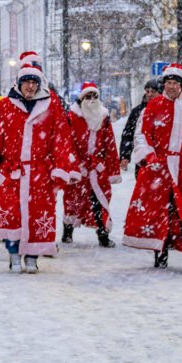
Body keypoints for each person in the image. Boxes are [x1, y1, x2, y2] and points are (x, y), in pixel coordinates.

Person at [0, 63, 80, 273]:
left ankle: (33, 256)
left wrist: (60, 167)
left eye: (34, 83)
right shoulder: (6, 106)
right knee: (12, 216)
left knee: (38, 215)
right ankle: (14, 255)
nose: (30, 87)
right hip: (11, 172)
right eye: (27, 82)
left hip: (40, 174)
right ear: (19, 83)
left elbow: (61, 138)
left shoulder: (50, 106)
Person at [122, 63, 182, 274]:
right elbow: (142, 135)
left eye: (175, 83)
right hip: (160, 169)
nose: (171, 87)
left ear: (181, 85)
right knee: (161, 212)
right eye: (168, 83)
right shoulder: (154, 106)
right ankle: (161, 254)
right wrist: (149, 156)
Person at [61, 81, 122, 247]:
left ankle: (103, 234)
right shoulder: (72, 118)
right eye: (88, 96)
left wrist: (112, 168)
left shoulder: (103, 117)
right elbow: (68, 143)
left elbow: (110, 144)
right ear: (81, 99)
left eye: (95, 96)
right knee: (72, 200)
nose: (92, 99)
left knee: (100, 201)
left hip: (97, 168)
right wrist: (73, 165)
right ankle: (67, 231)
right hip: (79, 167)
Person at [120, 79, 162, 175]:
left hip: (161, 159)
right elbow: (128, 134)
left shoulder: (164, 109)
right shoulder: (137, 111)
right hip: (142, 159)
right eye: (147, 91)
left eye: (153, 91)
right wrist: (125, 156)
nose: (150, 94)